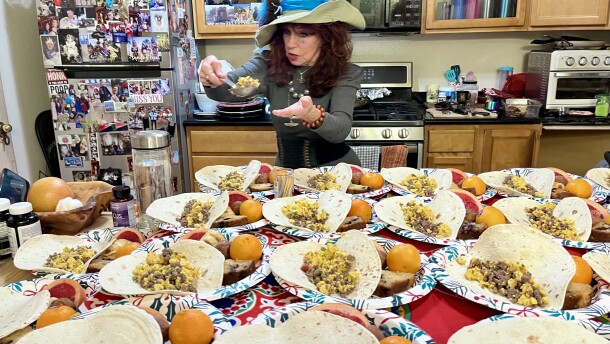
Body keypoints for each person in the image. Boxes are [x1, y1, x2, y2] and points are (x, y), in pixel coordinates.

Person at [198, 0, 365, 168]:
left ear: (326, 37)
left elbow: (340, 131)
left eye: (303, 34)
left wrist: (313, 115)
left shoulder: (346, 73)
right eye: (286, 32)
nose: (290, 43)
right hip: (285, 174)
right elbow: (225, 91)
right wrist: (209, 76)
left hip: (333, 173)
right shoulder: (267, 65)